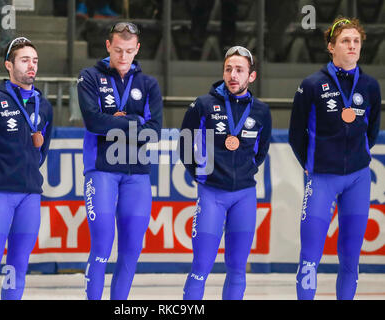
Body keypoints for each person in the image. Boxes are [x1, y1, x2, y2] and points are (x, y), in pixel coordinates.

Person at [289, 17, 381, 300]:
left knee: (351, 258)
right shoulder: (312, 84)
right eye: (345, 41)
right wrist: (312, 165)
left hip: (358, 178)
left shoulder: (370, 86)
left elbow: (372, 129)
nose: (352, 46)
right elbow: (295, 134)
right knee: (309, 258)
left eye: (356, 41)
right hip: (322, 178)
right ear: (331, 47)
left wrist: (357, 158)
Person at [77, 22, 163, 300]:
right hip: (101, 170)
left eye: (129, 51)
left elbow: (155, 132)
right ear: (107, 46)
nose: (123, 57)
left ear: (137, 49)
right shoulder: (89, 77)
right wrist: (135, 121)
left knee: (131, 250)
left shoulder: (149, 84)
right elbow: (93, 122)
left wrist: (117, 121)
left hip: (137, 174)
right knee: (102, 243)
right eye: (117, 50)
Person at [179, 46, 272, 299]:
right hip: (211, 194)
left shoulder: (261, 111)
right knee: (200, 268)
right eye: (228, 69)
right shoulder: (203, 105)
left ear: (251, 76)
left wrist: (246, 170)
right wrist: (200, 174)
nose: (233, 75)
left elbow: (261, 150)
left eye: (239, 70)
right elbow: (184, 144)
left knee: (237, 270)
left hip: (244, 196)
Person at [0, 37, 53, 299]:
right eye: (25, 60)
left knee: (17, 268)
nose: (32, 66)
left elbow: (42, 151)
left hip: (30, 197)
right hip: (0, 195)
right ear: (8, 65)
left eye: (35, 61)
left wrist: (26, 172)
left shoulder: (44, 105)